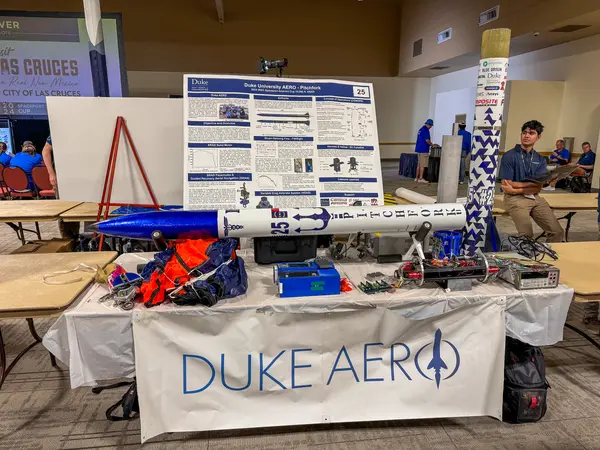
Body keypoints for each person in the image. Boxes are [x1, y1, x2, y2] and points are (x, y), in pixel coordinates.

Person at [499, 120, 564, 242]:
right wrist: (521, 188)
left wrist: (515, 186)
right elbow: (506, 187)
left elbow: (537, 187)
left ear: (538, 137)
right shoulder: (509, 156)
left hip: (535, 197)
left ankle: (546, 256)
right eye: (524, 132)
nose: (527, 135)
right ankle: (526, 259)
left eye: (531, 133)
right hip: (514, 199)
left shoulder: (540, 159)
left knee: (557, 232)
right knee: (526, 235)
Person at [414, 119, 434, 184]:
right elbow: (427, 140)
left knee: (419, 164)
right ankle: (421, 178)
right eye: (430, 126)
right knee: (423, 165)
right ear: (428, 125)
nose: (431, 127)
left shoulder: (421, 129)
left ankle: (416, 178)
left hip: (419, 149)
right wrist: (432, 145)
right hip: (423, 149)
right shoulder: (426, 130)